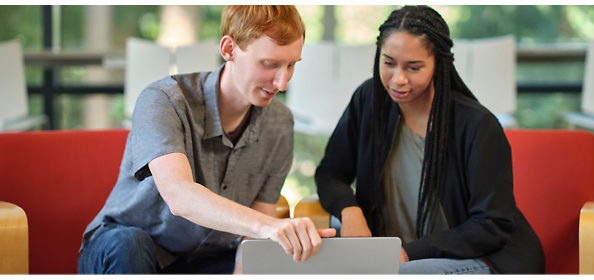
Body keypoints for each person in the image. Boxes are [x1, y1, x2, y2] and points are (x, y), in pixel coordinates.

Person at [79, 5, 335, 275]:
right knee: (129, 244)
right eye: (270, 64)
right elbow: (179, 196)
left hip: (207, 259)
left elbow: (255, 231)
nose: (282, 83)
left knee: (286, 266)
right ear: (229, 49)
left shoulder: (280, 123)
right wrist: (267, 226)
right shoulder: (163, 100)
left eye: (291, 65)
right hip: (126, 251)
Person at [315, 5, 545, 275]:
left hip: (485, 257)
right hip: (397, 252)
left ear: (438, 64)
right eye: (388, 63)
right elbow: (330, 172)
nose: (398, 79)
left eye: (413, 67)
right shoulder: (369, 100)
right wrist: (349, 210)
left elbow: (491, 225)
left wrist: (410, 252)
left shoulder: (478, 126)